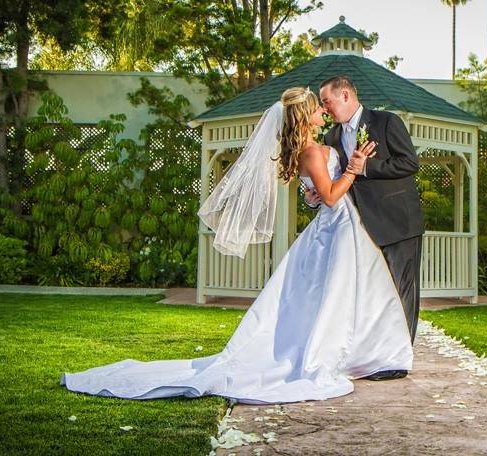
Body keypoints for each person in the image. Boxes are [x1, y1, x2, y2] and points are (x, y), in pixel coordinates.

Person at [59, 86, 414, 404]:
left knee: (345, 294)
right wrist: (352, 170)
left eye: (325, 105)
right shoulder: (314, 151)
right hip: (337, 226)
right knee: (333, 295)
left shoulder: (320, 147)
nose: (324, 111)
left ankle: (363, 353)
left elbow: (319, 194)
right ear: (306, 115)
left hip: (342, 228)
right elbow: (334, 197)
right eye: (319, 108)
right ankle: (329, 355)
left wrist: (317, 192)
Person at [308, 76, 425, 381]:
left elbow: (409, 163)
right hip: (361, 227)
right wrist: (314, 197)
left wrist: (367, 168)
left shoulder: (386, 122)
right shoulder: (332, 137)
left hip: (399, 221)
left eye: (326, 101)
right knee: (375, 293)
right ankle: (377, 353)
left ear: (344, 94)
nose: (325, 107)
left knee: (402, 290)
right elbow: (335, 183)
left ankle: (398, 360)